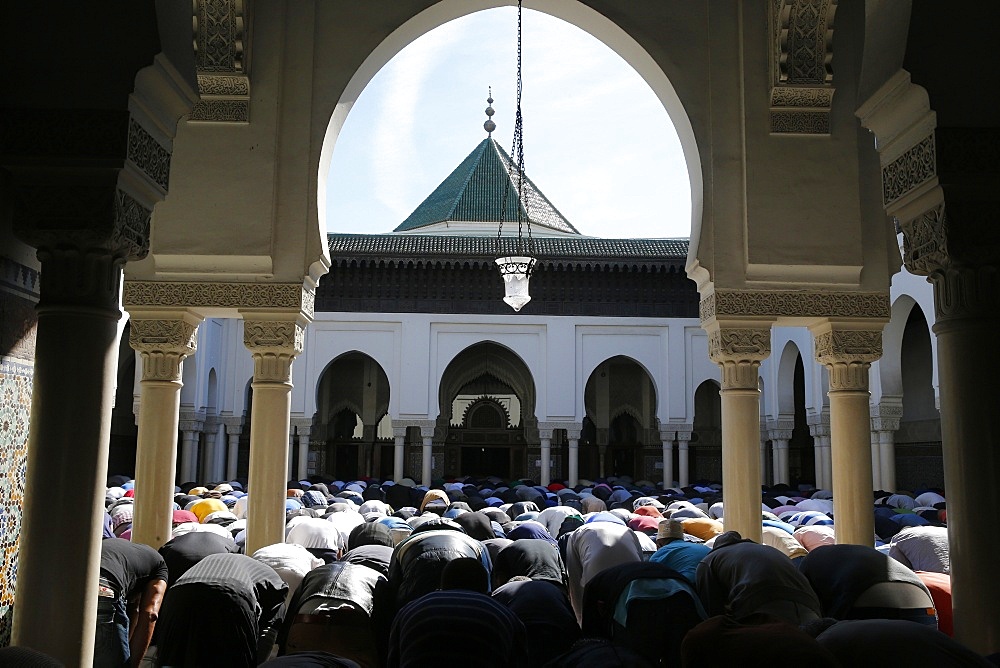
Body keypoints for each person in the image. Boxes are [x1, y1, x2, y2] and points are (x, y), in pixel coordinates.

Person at [153, 553, 288, 667]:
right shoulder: (278, 586)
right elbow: (267, 634)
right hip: (232, 596)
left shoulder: (219, 560)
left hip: (178, 594)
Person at [695, 531, 821, 625]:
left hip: (760, 604)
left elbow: (713, 612)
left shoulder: (709, 560)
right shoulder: (768, 549)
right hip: (809, 603)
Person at [96, 538, 168, 668]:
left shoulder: (119, 551)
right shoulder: (160, 567)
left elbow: (133, 610)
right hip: (105, 588)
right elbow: (150, 614)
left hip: (70, 586)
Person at [648, 519, 710, 585]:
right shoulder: (703, 547)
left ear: (658, 543)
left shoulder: (662, 552)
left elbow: (649, 575)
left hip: (689, 587)